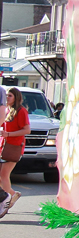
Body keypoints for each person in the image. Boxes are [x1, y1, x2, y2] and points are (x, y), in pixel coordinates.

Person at [0, 87, 30, 218]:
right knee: (1, 176)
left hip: (14, 146)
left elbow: (27, 130)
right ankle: (12, 194)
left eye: (10, 96)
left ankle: (5, 201)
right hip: (4, 145)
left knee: (3, 175)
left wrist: (8, 134)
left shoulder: (21, 111)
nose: (7, 98)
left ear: (16, 97)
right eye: (6, 95)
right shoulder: (7, 110)